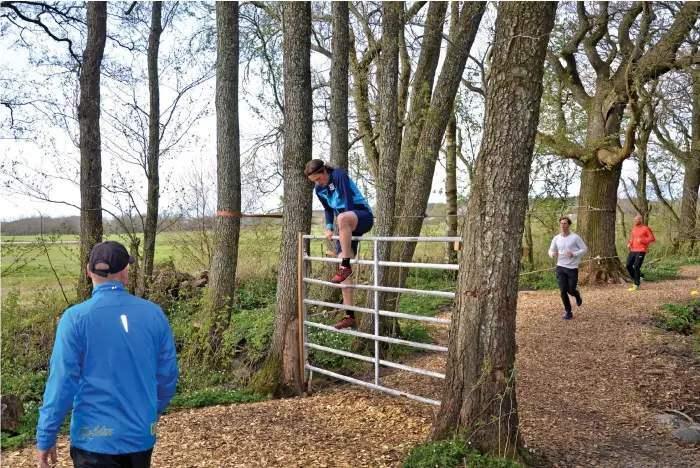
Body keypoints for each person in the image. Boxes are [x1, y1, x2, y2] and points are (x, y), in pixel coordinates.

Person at [36, 241, 178, 468]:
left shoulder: (75, 318)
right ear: (125, 273)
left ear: (88, 271)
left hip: (94, 441)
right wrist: (154, 410)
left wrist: (46, 434)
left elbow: (62, 382)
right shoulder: (154, 314)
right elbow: (167, 375)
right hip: (140, 437)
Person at [306, 159, 374, 329]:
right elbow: (328, 209)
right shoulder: (318, 189)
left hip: (362, 216)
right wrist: (329, 228)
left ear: (324, 171)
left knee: (342, 217)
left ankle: (345, 267)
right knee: (344, 266)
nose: (317, 183)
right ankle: (350, 316)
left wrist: (344, 219)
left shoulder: (338, 175)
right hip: (346, 226)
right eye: (314, 181)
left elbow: (348, 204)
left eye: (318, 179)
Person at [548, 217, 588, 320]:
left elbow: (584, 249)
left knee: (571, 290)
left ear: (568, 225)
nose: (563, 225)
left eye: (565, 223)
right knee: (563, 291)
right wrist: (553, 254)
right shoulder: (556, 238)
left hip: (572, 268)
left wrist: (574, 254)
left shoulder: (575, 237)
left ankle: (577, 294)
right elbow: (550, 251)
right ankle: (568, 312)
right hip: (560, 267)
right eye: (561, 223)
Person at [626, 215, 656, 291]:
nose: (635, 221)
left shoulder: (645, 228)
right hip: (633, 250)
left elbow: (652, 238)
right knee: (628, 265)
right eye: (634, 219)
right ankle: (638, 276)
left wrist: (643, 240)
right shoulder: (634, 229)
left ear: (641, 220)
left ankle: (636, 284)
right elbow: (632, 238)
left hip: (641, 250)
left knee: (636, 266)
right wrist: (630, 243)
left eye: (636, 219)